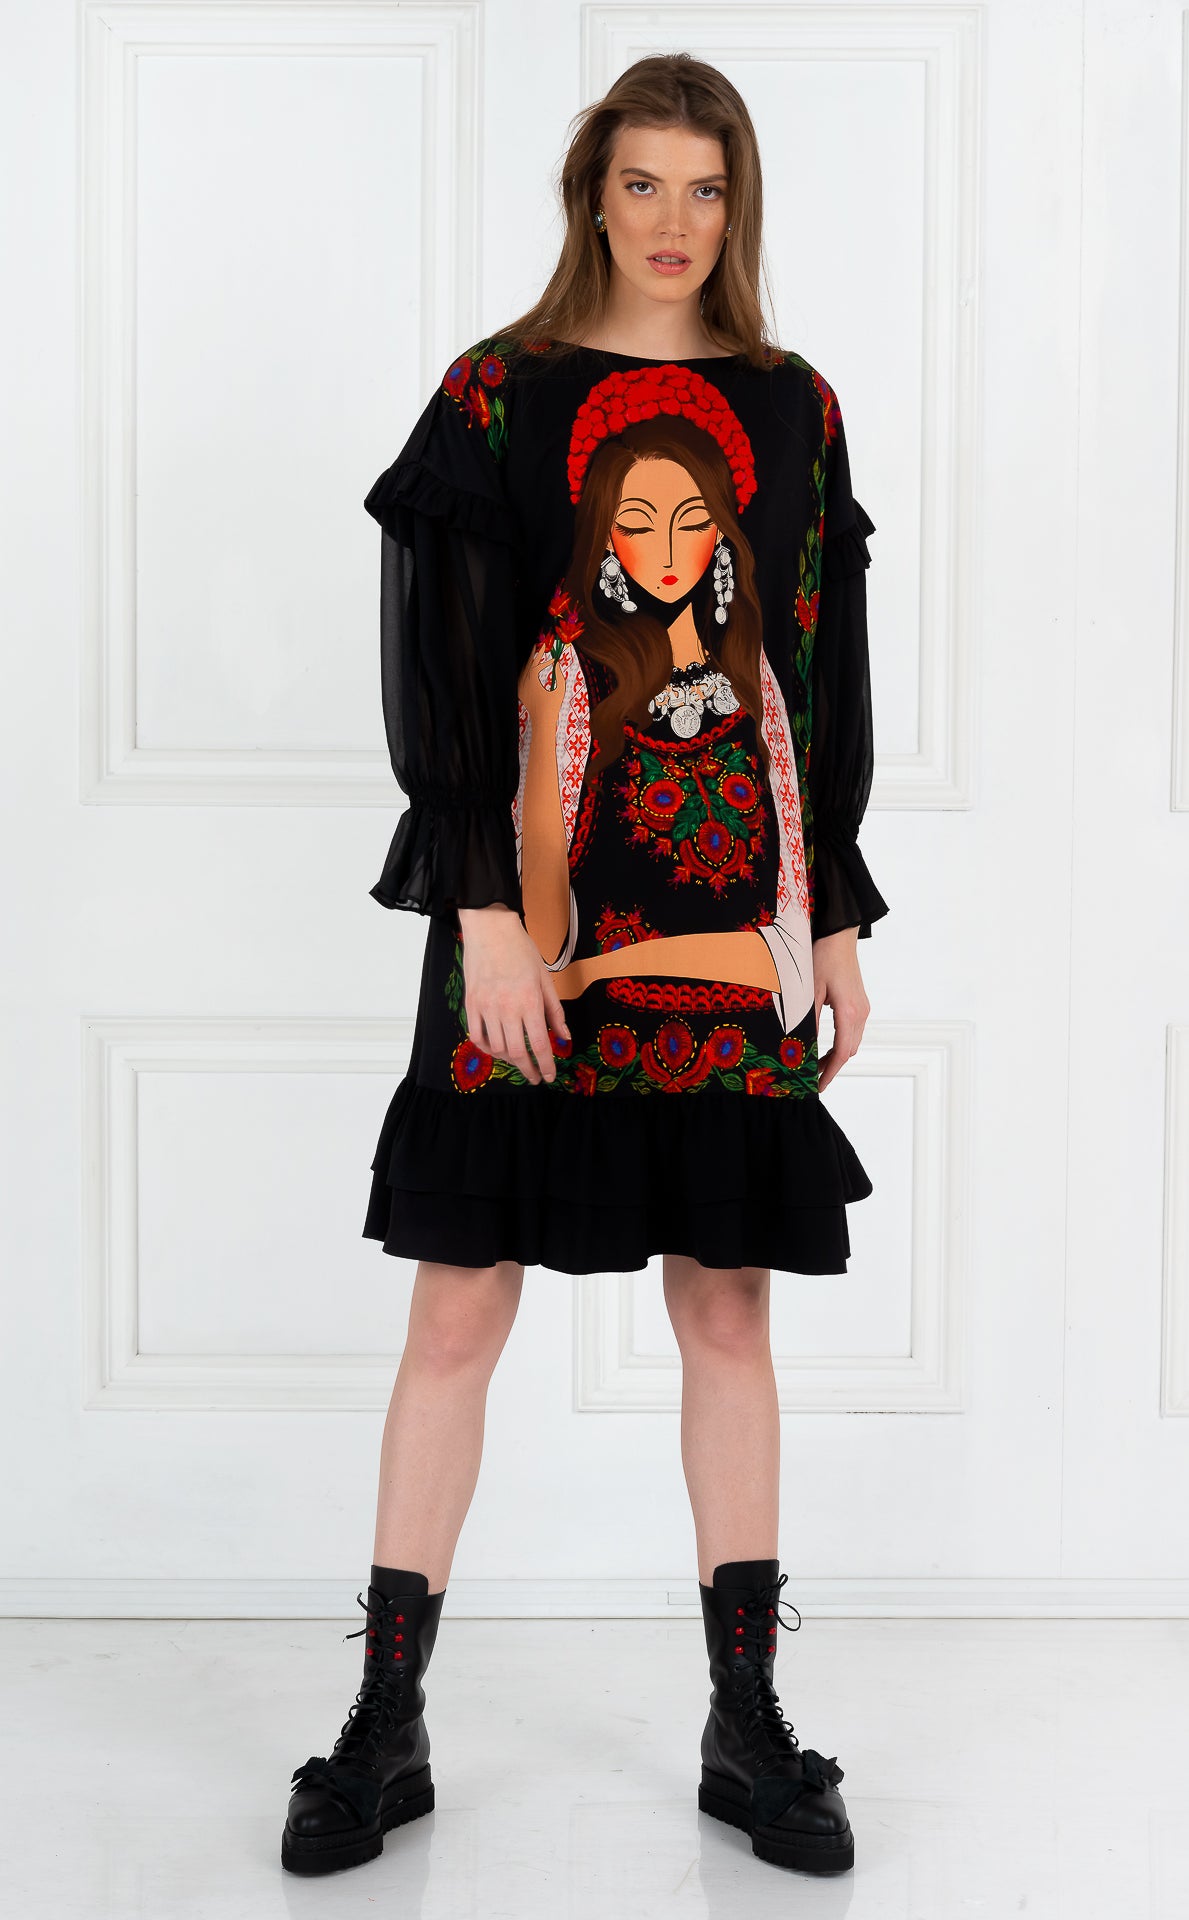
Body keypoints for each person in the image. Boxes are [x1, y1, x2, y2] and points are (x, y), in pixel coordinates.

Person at [281, 51, 888, 1881]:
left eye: (705, 188)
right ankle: (384, 1723)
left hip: (731, 929)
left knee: (729, 1307)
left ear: (738, 205)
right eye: (642, 184)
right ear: (591, 197)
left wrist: (834, 920)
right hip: (528, 933)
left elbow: (816, 671)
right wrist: (480, 911)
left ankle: (744, 1722)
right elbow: (446, 669)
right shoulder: (497, 394)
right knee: (457, 1309)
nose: (673, 221)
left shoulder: (794, 408)